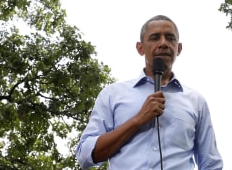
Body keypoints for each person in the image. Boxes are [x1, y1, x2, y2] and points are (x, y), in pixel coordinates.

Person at [76, 15, 223, 169]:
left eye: (170, 38)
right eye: (154, 38)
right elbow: (85, 155)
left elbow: (210, 163)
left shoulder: (196, 101)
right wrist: (138, 119)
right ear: (140, 48)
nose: (163, 43)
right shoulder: (112, 95)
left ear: (178, 48)